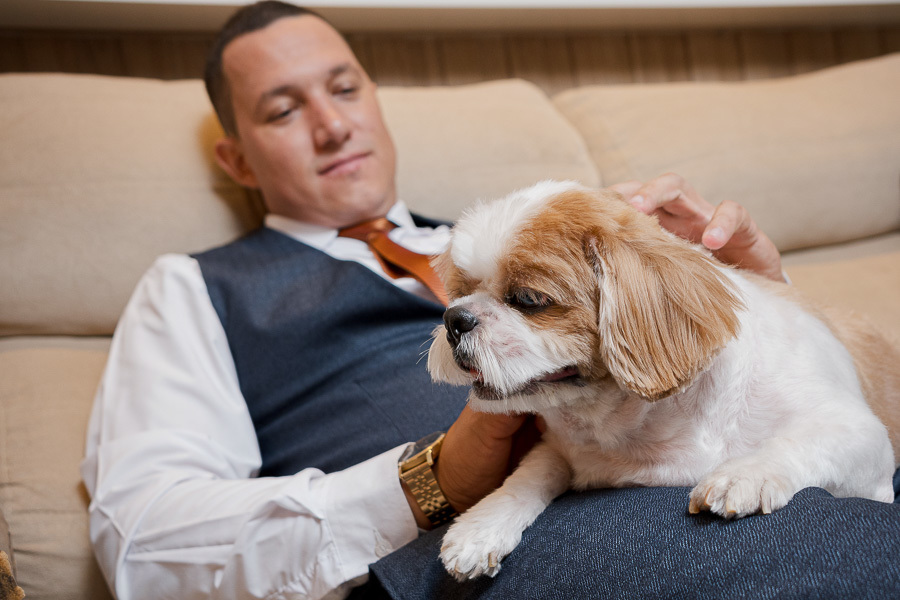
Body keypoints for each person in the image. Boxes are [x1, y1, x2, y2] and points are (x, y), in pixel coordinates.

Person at [81, 2, 900, 600]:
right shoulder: (192, 288)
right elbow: (141, 538)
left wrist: (760, 296)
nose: (332, 125)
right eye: (284, 109)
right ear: (237, 158)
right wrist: (428, 482)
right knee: (846, 555)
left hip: (696, 465)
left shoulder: (495, 234)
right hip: (500, 542)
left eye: (345, 87)